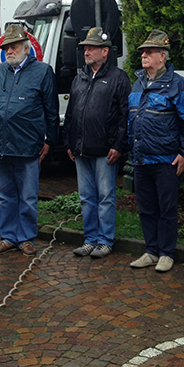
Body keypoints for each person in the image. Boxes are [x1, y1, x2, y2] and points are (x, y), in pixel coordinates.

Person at [127, 30, 184, 273]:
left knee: (166, 209)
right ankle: (151, 250)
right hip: (141, 159)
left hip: (167, 160)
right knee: (146, 208)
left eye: (149, 52)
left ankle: (167, 253)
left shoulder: (177, 84)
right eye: (142, 52)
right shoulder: (137, 82)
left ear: (163, 56)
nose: (144, 55)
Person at [0, 24, 59, 257]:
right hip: (1, 144)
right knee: (5, 195)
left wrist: (50, 141)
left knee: (27, 196)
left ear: (26, 48)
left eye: (14, 46)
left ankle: (26, 238)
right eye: (7, 47)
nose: (9, 51)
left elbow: (51, 109)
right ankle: (8, 236)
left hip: (28, 144)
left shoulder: (43, 71)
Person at [64, 27, 130, 259]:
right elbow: (71, 113)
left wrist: (119, 145)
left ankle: (105, 240)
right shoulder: (79, 78)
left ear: (105, 51)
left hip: (105, 150)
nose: (86, 52)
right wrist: (69, 142)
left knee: (105, 196)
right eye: (84, 48)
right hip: (81, 149)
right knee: (86, 197)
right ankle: (90, 239)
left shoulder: (118, 78)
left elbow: (125, 116)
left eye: (91, 48)